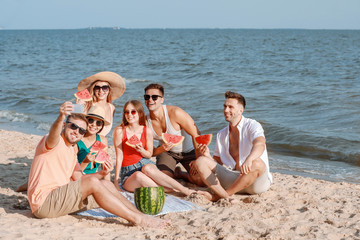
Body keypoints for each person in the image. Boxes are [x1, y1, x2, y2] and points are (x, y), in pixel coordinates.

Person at [27, 101, 168, 228]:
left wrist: (102, 173)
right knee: (94, 183)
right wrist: (60, 117)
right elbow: (53, 134)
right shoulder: (53, 142)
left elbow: (79, 177)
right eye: (73, 127)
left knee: (106, 184)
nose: (77, 132)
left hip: (61, 198)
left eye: (81, 130)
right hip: (44, 203)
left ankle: (139, 214)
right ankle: (138, 219)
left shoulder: (72, 150)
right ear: (64, 125)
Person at [194, 91, 272, 202]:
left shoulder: (252, 125)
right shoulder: (221, 134)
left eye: (230, 107)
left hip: (256, 182)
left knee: (257, 163)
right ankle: (226, 196)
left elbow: (260, 144)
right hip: (235, 180)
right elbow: (218, 164)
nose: (226, 110)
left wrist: (249, 159)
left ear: (241, 110)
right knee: (200, 161)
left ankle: (220, 196)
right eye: (225, 106)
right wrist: (207, 156)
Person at [113, 100, 197, 196]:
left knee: (148, 168)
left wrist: (141, 150)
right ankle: (169, 189)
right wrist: (116, 182)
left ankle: (185, 190)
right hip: (128, 173)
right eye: (126, 112)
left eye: (133, 112)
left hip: (145, 164)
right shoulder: (119, 131)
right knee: (138, 175)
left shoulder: (147, 131)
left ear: (140, 114)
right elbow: (119, 156)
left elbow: (149, 155)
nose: (129, 115)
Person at [143, 83, 203, 186]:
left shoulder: (175, 113)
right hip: (167, 153)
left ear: (162, 99)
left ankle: (180, 174)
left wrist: (199, 160)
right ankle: (173, 173)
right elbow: (151, 152)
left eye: (154, 97)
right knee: (164, 181)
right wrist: (162, 149)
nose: (150, 100)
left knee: (200, 181)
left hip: (190, 152)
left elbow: (196, 134)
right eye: (147, 97)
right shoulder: (145, 122)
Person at [77, 71, 126, 136]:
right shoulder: (88, 105)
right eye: (97, 88)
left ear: (109, 90)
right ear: (93, 89)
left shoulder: (112, 108)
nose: (101, 91)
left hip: (101, 143)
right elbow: (78, 125)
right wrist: (78, 108)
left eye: (104, 88)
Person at [77, 105, 110, 180]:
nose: (94, 125)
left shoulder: (103, 140)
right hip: (78, 178)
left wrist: (108, 183)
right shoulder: (77, 139)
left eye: (98, 123)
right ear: (86, 121)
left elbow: (105, 167)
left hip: (96, 177)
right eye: (91, 120)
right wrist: (85, 162)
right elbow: (72, 172)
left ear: (102, 126)